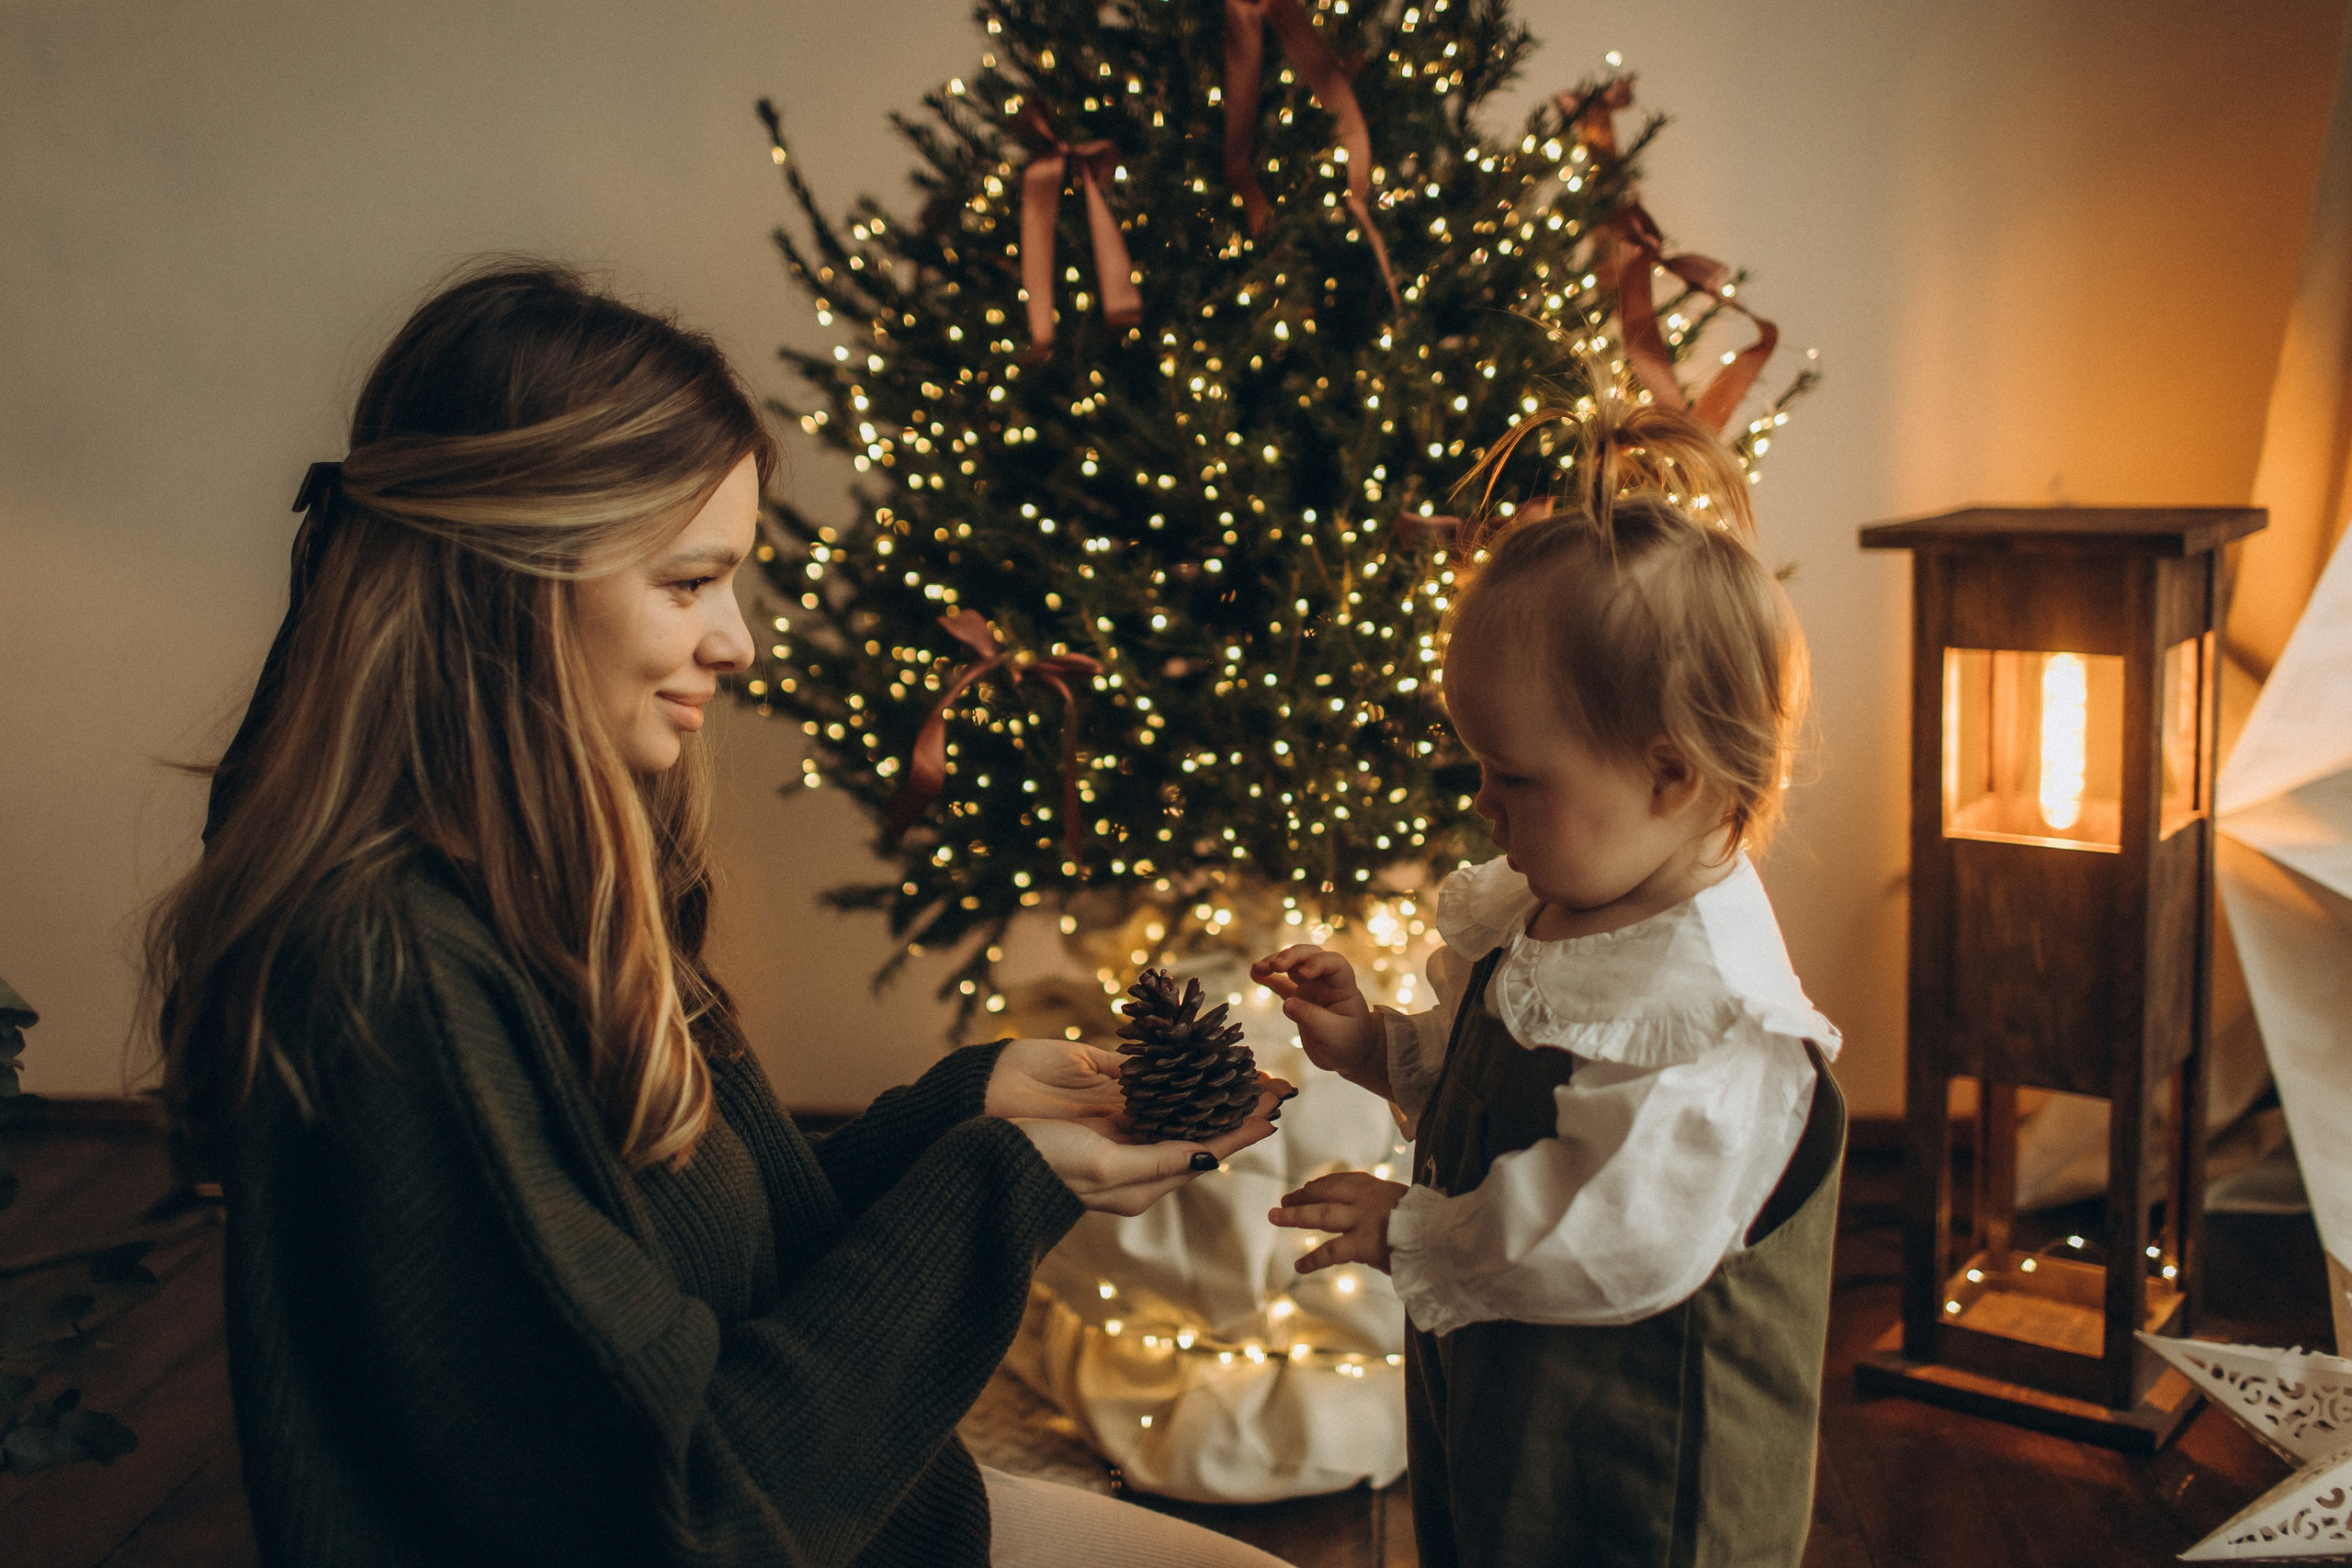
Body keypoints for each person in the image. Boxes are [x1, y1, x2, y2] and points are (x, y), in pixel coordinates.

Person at [146, 261, 1294, 1568]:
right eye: (689, 585)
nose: (739, 643)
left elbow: (730, 1285)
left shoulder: (566, 886)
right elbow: (694, 1513)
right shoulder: (399, 981)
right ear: (507, 584)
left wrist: (966, 1115)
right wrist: (1002, 1189)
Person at [1250, 382, 1847, 1566]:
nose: (1482, 804)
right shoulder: (1556, 905)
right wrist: (1377, 1047)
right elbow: (1497, 1088)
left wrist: (1414, 1228)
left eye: (1515, 777)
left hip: (1638, 1464)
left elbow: (1608, 1235)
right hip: (1511, 1400)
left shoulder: (1709, 1014)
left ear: (1668, 777)